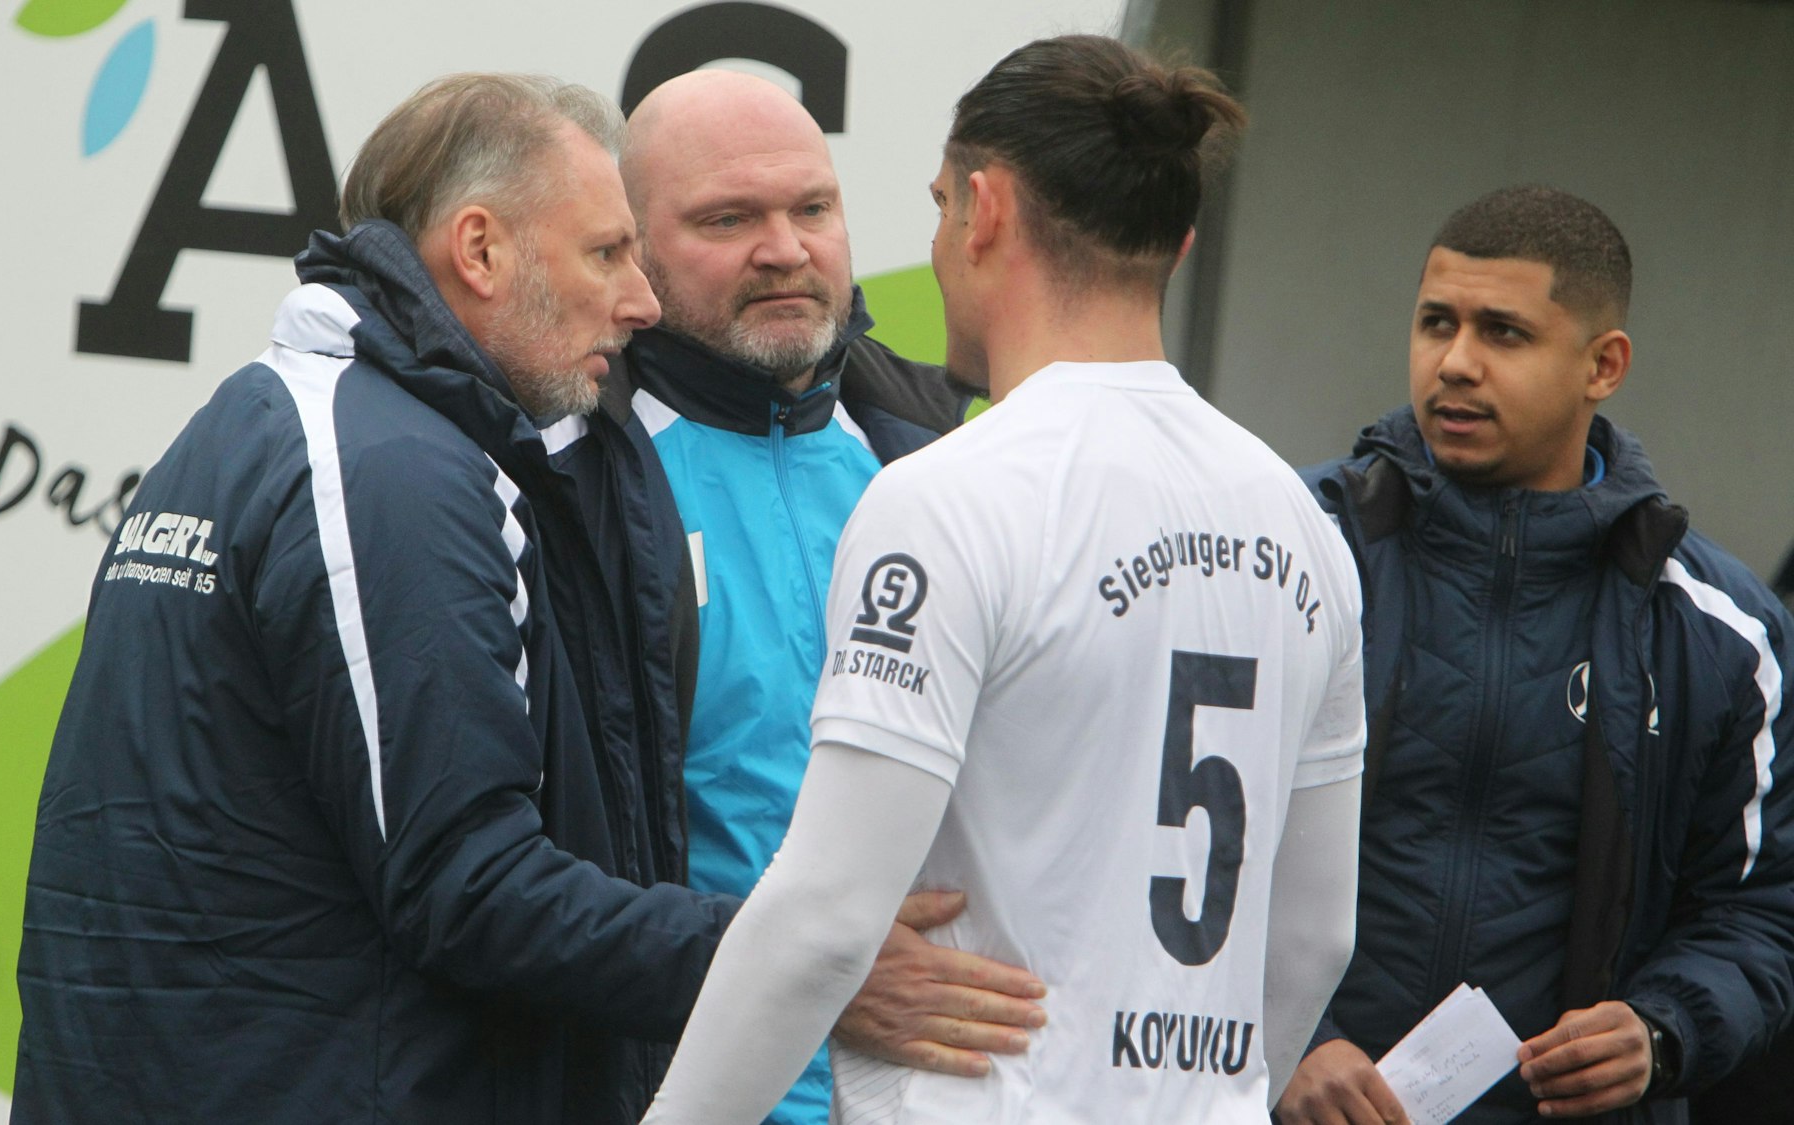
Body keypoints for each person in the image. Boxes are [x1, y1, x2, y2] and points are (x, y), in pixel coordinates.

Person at [12, 73, 1027, 1125]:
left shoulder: (294, 422)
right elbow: (463, 884)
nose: (634, 303)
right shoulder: (392, 469)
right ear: (481, 251)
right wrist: (805, 966)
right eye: (607, 253)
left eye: (813, 207)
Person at [641, 35, 1367, 1123]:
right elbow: (1314, 936)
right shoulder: (1302, 526)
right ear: (1171, 240)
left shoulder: (946, 494)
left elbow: (827, 917)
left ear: (981, 211)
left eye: (935, 207)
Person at [1278, 186, 1794, 1125]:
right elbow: (1171, 836)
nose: (1455, 363)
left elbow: (1763, 910)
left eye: (1503, 334)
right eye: (1437, 322)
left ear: (1604, 364)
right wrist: (1282, 1039)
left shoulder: (1721, 630)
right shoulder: (1292, 548)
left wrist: (1660, 1028)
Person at [600, 68, 1012, 1125]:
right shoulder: (570, 478)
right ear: (632, 247)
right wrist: (808, 972)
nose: (783, 249)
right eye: (726, 218)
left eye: (811, 209)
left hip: (929, 1095)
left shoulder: (937, 455)